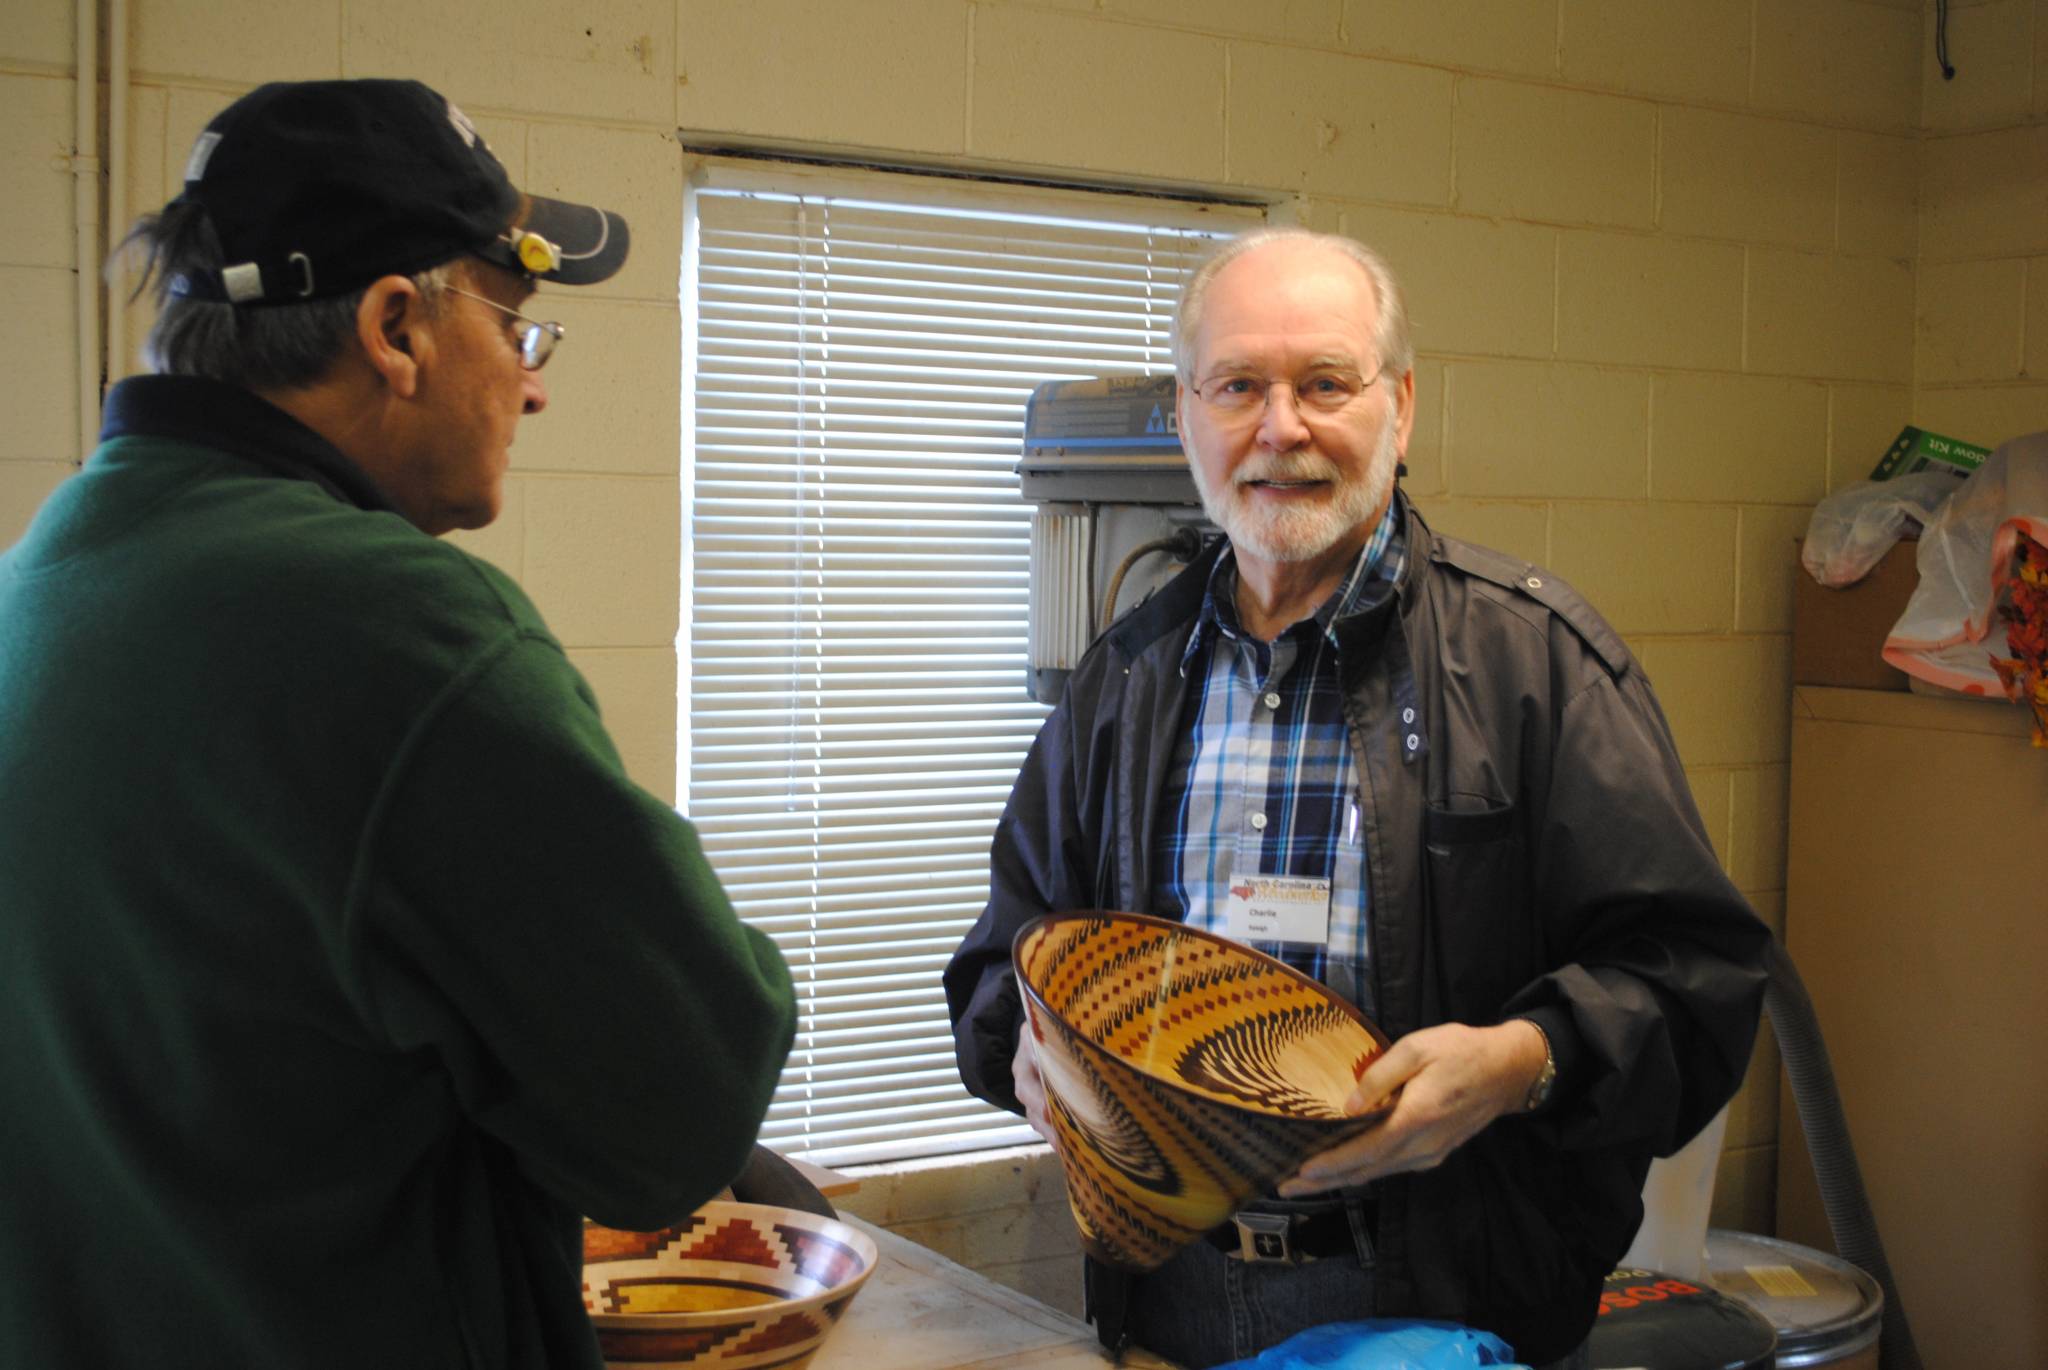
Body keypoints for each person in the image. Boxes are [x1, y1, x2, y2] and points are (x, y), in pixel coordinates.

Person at [0, 79, 796, 1368]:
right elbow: (678, 1115)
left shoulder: (47, 576)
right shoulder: (399, 629)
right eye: (518, 329)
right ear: (395, 327)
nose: (530, 392)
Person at [944, 226, 1771, 1369]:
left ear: (1401, 407)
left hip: (1439, 1299)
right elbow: (1003, 955)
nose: (1278, 426)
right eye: (1236, 385)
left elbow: (1696, 983)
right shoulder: (1124, 679)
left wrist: (1518, 1061)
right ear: (1186, 415)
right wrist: (1023, 1049)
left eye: (1323, 382)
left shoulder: (1532, 664)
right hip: (1169, 1297)